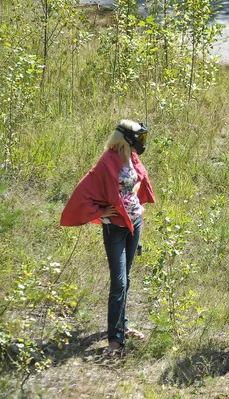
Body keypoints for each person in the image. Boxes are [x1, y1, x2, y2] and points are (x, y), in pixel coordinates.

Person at [60, 120, 155, 356]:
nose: (141, 143)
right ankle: (115, 340)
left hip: (135, 223)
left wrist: (129, 199)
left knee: (126, 278)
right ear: (126, 139)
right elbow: (83, 192)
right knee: (119, 283)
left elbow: (139, 178)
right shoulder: (106, 161)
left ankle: (122, 325)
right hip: (115, 227)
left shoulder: (131, 157)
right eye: (139, 138)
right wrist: (101, 212)